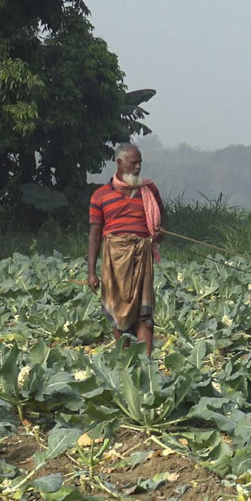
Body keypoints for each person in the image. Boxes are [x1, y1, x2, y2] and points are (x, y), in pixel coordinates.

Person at [87, 143, 165, 356]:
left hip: (142, 255)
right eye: (134, 162)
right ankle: (126, 359)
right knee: (116, 310)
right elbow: (95, 235)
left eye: (140, 162)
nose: (138, 167)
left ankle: (146, 364)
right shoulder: (100, 196)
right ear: (119, 163)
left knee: (144, 312)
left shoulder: (149, 191)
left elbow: (161, 220)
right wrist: (91, 272)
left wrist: (159, 233)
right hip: (114, 258)